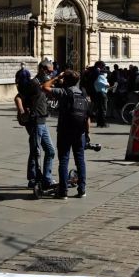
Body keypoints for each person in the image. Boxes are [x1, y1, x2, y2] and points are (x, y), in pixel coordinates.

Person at [42, 70, 88, 199]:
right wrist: (87, 133)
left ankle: (63, 191)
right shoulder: (83, 93)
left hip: (65, 130)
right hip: (80, 131)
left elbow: (44, 87)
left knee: (64, 159)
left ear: (65, 80)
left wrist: (57, 77)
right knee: (80, 160)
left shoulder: (63, 92)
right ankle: (82, 190)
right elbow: (87, 116)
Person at [14, 74, 55, 190]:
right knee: (35, 151)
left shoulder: (36, 84)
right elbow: (18, 97)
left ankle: (46, 178)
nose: (51, 75)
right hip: (35, 121)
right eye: (49, 71)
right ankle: (33, 179)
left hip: (42, 121)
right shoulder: (34, 84)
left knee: (50, 150)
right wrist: (22, 111)